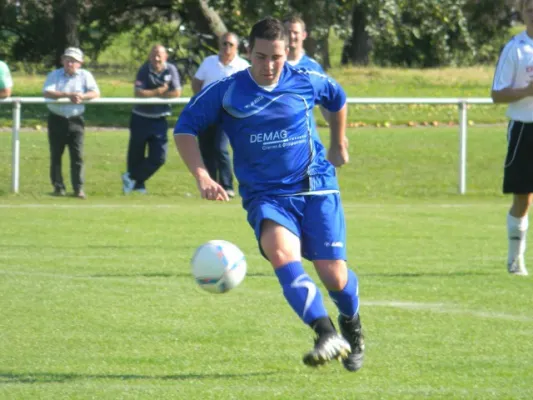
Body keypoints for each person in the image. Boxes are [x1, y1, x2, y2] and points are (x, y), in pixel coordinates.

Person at [173, 17, 364, 370]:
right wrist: (202, 175)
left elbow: (337, 98)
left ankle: (351, 323)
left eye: (277, 57)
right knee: (279, 252)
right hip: (267, 196)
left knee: (334, 276)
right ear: (248, 52)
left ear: (287, 52)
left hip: (316, 187)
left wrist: (339, 142)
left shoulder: (305, 80)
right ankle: (325, 332)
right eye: (261, 57)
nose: (269, 65)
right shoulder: (227, 91)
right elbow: (184, 127)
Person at [491, 0, 533, 277]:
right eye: (531, 9)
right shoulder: (516, 48)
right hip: (524, 128)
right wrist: (528, 91)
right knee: (524, 197)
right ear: (523, 12)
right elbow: (497, 94)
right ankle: (515, 260)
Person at [191, 33, 250, 199]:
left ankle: (227, 185)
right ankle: (210, 186)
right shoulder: (209, 62)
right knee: (206, 148)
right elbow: (196, 82)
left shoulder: (242, 65)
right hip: (207, 113)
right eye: (224, 44)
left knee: (220, 148)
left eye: (230, 44)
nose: (227, 48)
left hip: (228, 114)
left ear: (236, 47)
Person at [122, 45, 181, 194]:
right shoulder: (144, 69)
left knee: (159, 157)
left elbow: (176, 92)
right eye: (153, 55)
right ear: (149, 56)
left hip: (160, 119)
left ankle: (131, 177)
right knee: (136, 154)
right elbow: (139, 93)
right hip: (140, 118)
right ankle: (138, 185)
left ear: (165, 57)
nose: (156, 58)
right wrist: (159, 91)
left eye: (159, 55)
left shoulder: (171, 69)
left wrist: (155, 95)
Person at [43, 47, 100, 199]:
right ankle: (58, 187)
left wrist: (83, 96)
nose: (70, 63)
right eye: (67, 59)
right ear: (62, 60)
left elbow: (95, 93)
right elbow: (47, 92)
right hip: (57, 118)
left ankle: (78, 188)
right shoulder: (54, 75)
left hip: (76, 120)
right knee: (56, 155)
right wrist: (69, 95)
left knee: (77, 156)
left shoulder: (85, 75)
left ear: (80, 63)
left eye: (74, 61)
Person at [283, 15, 330, 124]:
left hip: (304, 134)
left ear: (304, 35)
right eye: (287, 32)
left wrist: (338, 132)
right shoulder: (273, 65)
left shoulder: (313, 67)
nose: (291, 36)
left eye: (295, 32)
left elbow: (325, 101)